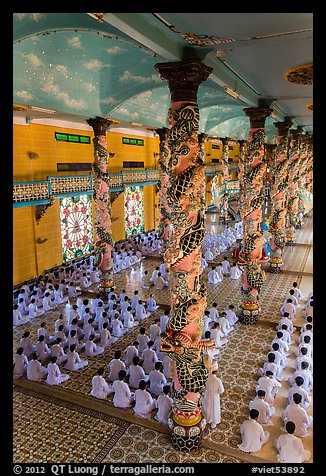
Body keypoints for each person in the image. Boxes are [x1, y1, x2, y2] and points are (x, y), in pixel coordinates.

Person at [202, 362, 225, 429]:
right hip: (214, 397)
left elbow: (204, 386)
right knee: (214, 409)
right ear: (217, 371)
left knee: (207, 407)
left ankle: (206, 419)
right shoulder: (218, 381)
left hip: (207, 394)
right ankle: (213, 422)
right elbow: (221, 391)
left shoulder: (207, 377)